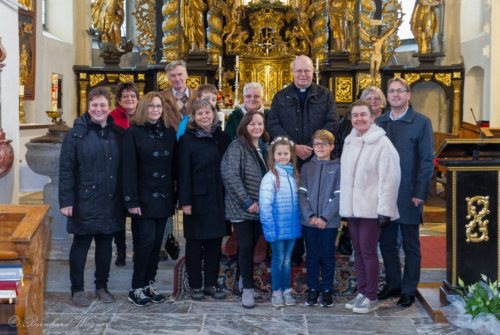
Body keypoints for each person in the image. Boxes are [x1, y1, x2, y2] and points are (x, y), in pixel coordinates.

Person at [267, 55, 337, 266]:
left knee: (319, 202)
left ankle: (318, 253)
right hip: (290, 161)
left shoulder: (324, 95)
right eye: (299, 71)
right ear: (292, 73)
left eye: (307, 71)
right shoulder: (281, 96)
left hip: (319, 161)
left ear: (313, 72)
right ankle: (295, 254)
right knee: (293, 205)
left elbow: (332, 122)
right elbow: (273, 125)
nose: (303, 75)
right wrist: (293, 146)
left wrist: (315, 146)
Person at [59, 87, 124, 307]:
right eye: (94, 105)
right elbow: (66, 169)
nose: (98, 109)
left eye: (102, 105)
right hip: (84, 200)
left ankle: (101, 287)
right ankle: (77, 290)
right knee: (81, 245)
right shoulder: (76, 134)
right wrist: (66, 201)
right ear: (88, 107)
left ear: (109, 107)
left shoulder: (117, 134)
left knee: (106, 245)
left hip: (110, 199)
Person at [376, 78, 434, 308]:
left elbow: (427, 161)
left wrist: (420, 192)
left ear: (409, 95)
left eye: (400, 91)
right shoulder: (379, 122)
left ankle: (409, 289)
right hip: (384, 194)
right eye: (391, 91)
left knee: (410, 245)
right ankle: (393, 283)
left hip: (409, 193)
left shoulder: (421, 122)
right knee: (387, 242)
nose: (396, 95)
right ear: (387, 96)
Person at [339, 100, 400, 314]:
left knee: (368, 252)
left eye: (363, 115)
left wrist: (385, 210)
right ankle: (362, 292)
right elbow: (346, 178)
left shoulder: (382, 144)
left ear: (372, 117)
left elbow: (390, 179)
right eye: (355, 115)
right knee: (358, 251)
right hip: (353, 209)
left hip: (372, 210)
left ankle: (372, 296)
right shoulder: (349, 142)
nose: (359, 119)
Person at [122, 92, 176, 306]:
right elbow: (128, 169)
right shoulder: (133, 133)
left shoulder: (169, 133)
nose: (155, 110)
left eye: (159, 106)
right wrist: (131, 201)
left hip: (163, 197)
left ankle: (148, 285)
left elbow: (173, 167)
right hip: (143, 198)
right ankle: (136, 288)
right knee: (144, 243)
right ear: (144, 108)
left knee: (156, 245)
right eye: (152, 106)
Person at [177, 98, 231, 301]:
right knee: (194, 244)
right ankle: (195, 285)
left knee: (214, 244)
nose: (204, 116)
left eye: (207, 112)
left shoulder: (223, 138)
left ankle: (210, 283)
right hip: (197, 199)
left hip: (218, 198)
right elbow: (183, 173)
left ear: (214, 113)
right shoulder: (187, 140)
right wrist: (186, 202)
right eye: (199, 113)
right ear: (193, 117)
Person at [221, 110, 269, 308]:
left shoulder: (265, 147)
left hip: (260, 207)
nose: (256, 127)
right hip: (243, 207)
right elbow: (230, 176)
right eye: (252, 124)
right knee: (246, 246)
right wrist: (247, 202)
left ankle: (243, 282)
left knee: (253, 245)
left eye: (259, 123)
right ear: (244, 126)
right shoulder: (237, 146)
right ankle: (247, 289)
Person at [299, 129, 341, 308]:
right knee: (312, 256)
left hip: (329, 222)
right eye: (317, 144)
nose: (320, 147)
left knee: (328, 256)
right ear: (312, 147)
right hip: (309, 221)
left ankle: (326, 290)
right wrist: (310, 216)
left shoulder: (338, 167)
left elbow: (339, 195)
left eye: (324, 144)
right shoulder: (307, 167)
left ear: (331, 147)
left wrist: (324, 217)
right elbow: (302, 194)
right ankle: (313, 288)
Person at [259, 137, 301, 307]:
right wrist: (269, 228)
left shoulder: (294, 176)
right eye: (279, 154)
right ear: (273, 155)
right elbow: (265, 204)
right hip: (276, 228)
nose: (283, 156)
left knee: (287, 259)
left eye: (286, 153)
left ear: (291, 155)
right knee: (278, 259)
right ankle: (277, 291)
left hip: (291, 227)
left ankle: (287, 291)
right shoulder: (270, 177)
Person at [110, 82, 139, 267]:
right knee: (118, 215)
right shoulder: (111, 118)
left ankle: (137, 250)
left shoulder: (144, 116)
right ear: (119, 100)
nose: (129, 99)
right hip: (117, 172)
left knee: (138, 215)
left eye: (133, 96)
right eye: (125, 96)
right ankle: (121, 251)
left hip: (138, 173)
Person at [159, 60, 197, 140]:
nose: (177, 78)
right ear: (168, 78)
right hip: (170, 140)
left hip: (194, 140)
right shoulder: (160, 97)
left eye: (180, 74)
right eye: (173, 75)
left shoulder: (198, 96)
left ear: (186, 75)